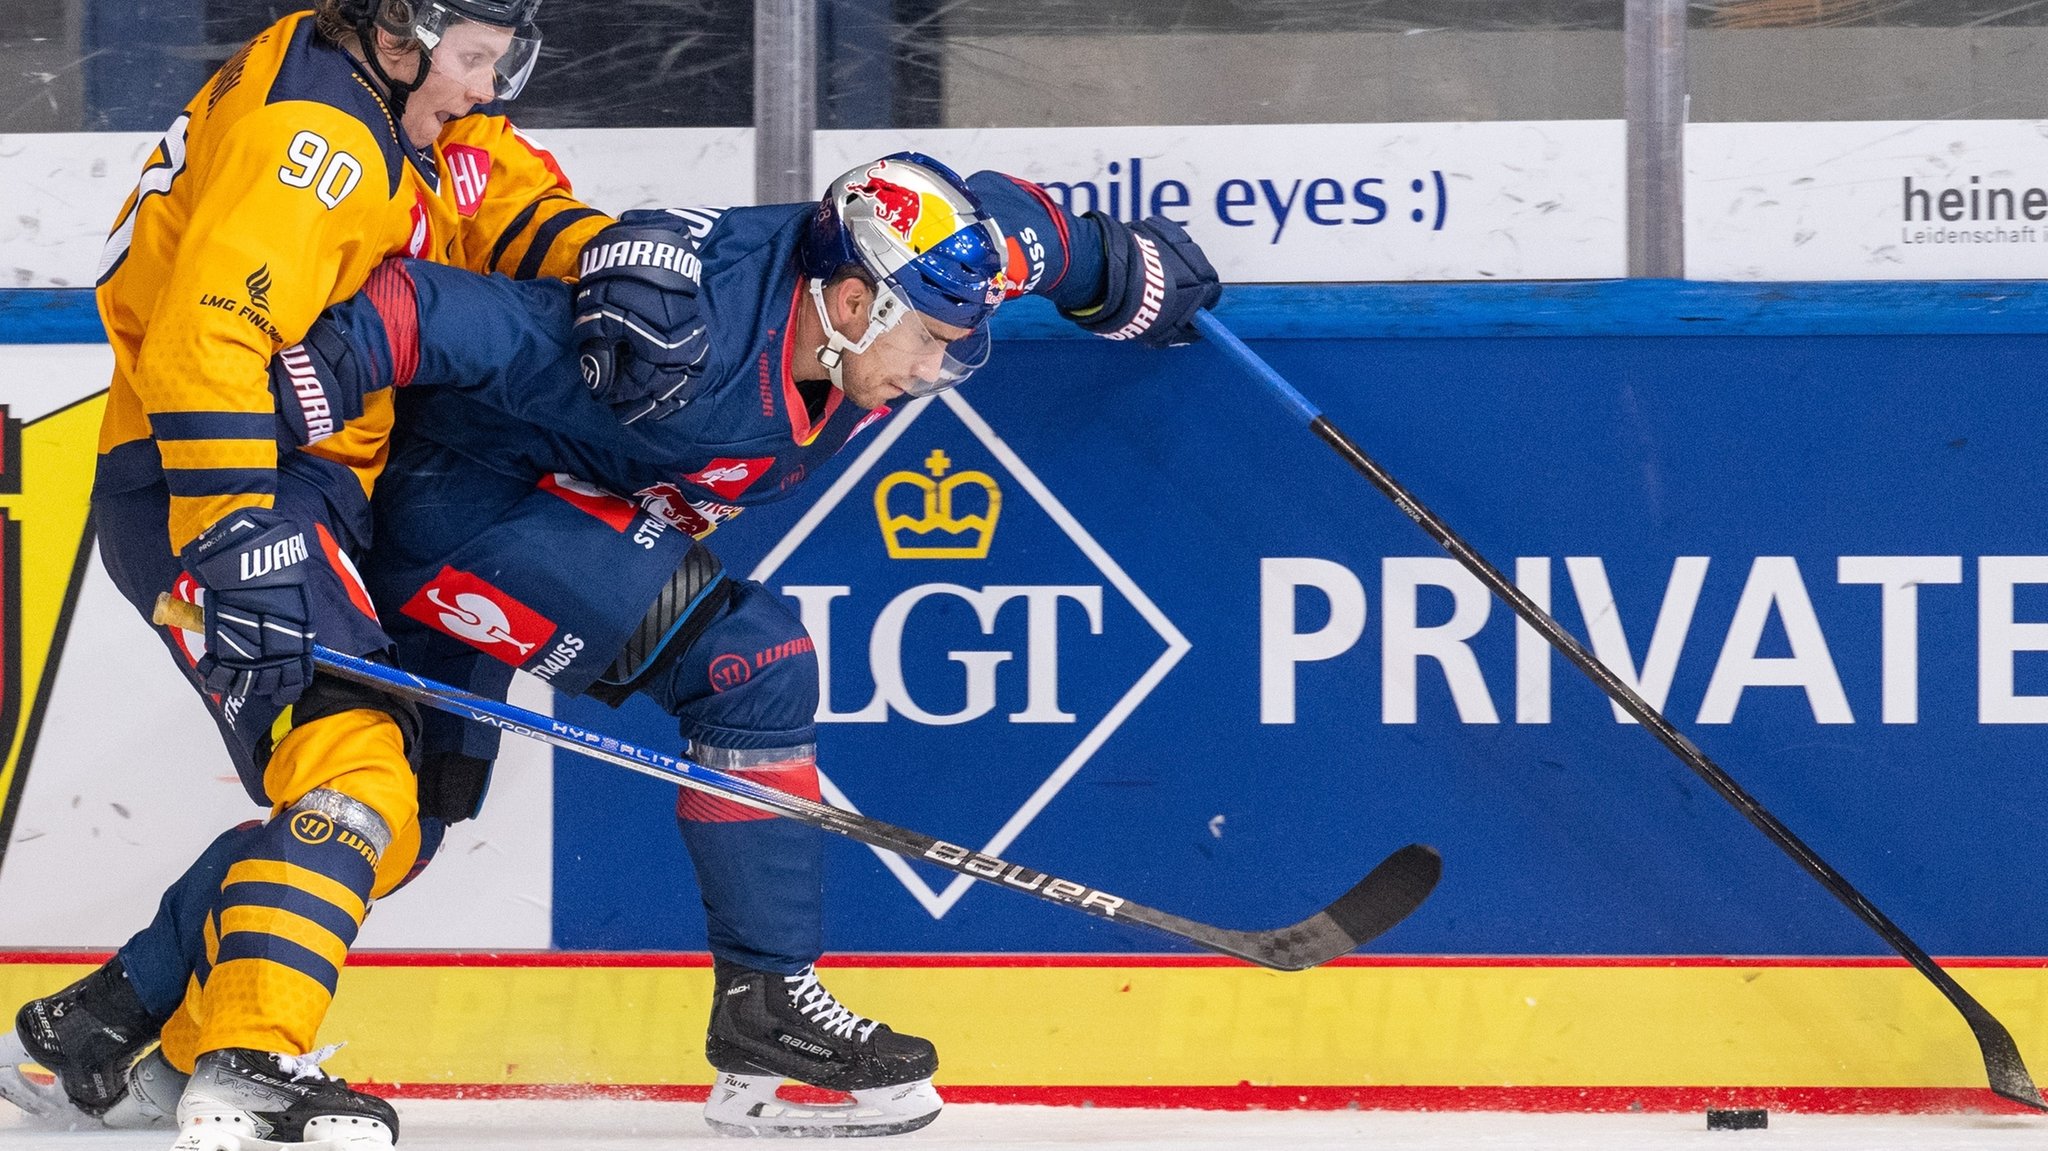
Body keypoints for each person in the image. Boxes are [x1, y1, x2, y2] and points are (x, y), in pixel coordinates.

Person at [278, 151, 1219, 1136]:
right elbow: (426, 310)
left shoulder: (929, 251)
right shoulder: (685, 339)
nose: (931, 372)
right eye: (929, 343)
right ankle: (766, 1003)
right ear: (853, 302)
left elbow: (1027, 230)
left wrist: (1128, 280)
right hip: (455, 506)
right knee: (750, 661)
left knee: (411, 803)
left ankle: (124, 1010)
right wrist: (247, 449)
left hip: (555, 498)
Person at [0, 2, 659, 1147]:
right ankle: (248, 1059)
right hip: (217, 479)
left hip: (322, 486)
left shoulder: (390, 100)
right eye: (471, 60)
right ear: (400, 32)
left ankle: (103, 1027)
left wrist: (619, 262)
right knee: (355, 756)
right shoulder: (319, 137)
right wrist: (236, 533)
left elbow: (497, 189)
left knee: (399, 814)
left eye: (502, 62)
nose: (487, 88)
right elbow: (206, 335)